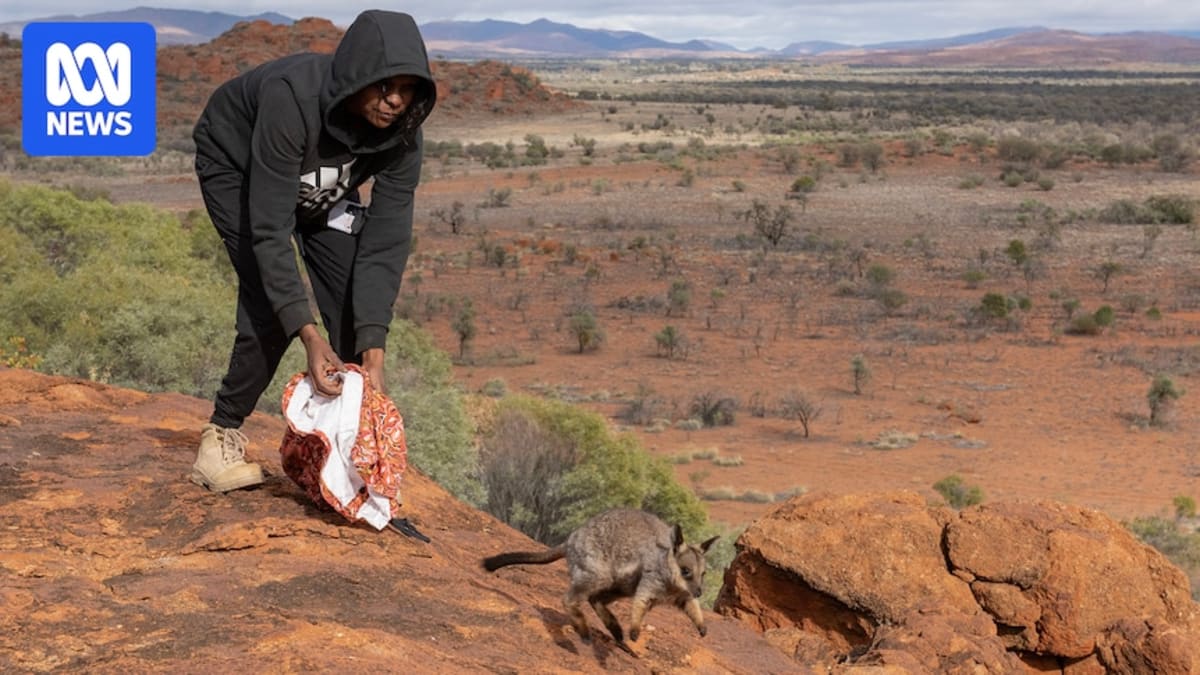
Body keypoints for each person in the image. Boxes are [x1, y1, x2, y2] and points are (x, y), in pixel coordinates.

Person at [189, 10, 437, 492]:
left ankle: (338, 445)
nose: (394, 101)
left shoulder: (403, 134)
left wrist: (374, 345)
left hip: (321, 186)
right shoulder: (292, 98)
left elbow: (385, 243)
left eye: (407, 89)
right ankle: (219, 438)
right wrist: (306, 332)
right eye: (383, 86)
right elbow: (269, 232)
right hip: (239, 167)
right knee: (270, 299)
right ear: (356, 75)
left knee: (351, 309)